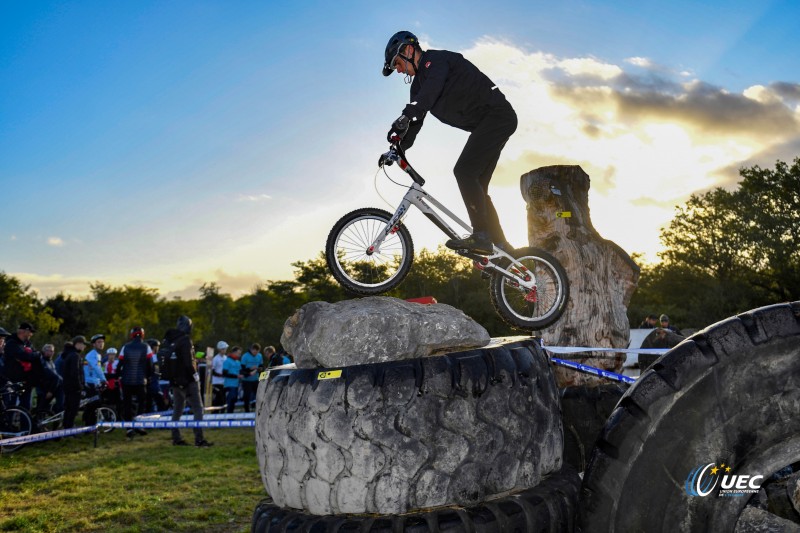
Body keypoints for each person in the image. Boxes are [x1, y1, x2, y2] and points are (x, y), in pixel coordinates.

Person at [383, 31, 517, 254]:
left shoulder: (436, 61)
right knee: (478, 187)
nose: (398, 70)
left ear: (408, 50)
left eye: (397, 63)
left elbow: (431, 90)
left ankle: (482, 236)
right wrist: (398, 147)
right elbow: (416, 121)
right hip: (486, 124)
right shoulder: (417, 89)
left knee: (464, 171)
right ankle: (502, 249)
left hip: (497, 116)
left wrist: (406, 114)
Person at [164, 315, 213, 447]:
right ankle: (199, 439)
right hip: (187, 381)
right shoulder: (185, 340)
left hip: (175, 381)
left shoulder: (171, 340)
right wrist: (194, 374)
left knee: (177, 409)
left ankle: (176, 438)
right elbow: (187, 361)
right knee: (198, 409)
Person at [2, 322, 61, 413]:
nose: (31, 334)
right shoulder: (11, 343)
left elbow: (35, 354)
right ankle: (8, 426)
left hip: (26, 380)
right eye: (30, 332)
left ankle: (25, 426)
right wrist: (32, 355)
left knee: (26, 406)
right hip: (12, 380)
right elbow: (25, 356)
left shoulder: (28, 343)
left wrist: (33, 355)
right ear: (24, 331)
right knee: (11, 406)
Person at [117, 326, 153, 438]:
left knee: (127, 405)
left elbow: (120, 364)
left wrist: (118, 375)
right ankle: (139, 425)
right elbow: (150, 364)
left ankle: (129, 428)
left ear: (132, 335)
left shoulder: (125, 347)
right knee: (141, 404)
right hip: (141, 381)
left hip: (126, 381)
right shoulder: (146, 346)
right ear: (142, 335)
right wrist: (148, 377)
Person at [60, 337, 86, 429]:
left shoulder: (69, 354)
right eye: (83, 344)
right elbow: (75, 373)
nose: (84, 346)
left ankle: (66, 426)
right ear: (78, 344)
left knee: (68, 409)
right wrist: (80, 386)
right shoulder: (75, 355)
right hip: (74, 387)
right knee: (73, 409)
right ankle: (69, 429)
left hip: (68, 386)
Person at [82, 334, 108, 425]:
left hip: (94, 382)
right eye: (98, 342)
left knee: (92, 405)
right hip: (90, 382)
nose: (101, 344)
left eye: (102, 342)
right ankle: (90, 425)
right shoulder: (92, 355)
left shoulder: (97, 355)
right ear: (93, 344)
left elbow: (98, 369)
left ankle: (88, 424)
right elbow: (96, 368)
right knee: (94, 404)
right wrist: (104, 379)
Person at [37, 343, 64, 413]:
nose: (51, 352)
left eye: (52, 351)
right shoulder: (42, 361)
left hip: (53, 388)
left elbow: (56, 376)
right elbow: (53, 376)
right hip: (44, 389)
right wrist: (50, 391)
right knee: (40, 408)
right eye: (48, 350)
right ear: (44, 351)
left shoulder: (51, 362)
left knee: (60, 405)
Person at [145, 338, 167, 413]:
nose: (158, 348)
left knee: (149, 402)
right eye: (156, 346)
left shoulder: (153, 356)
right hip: (153, 383)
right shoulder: (153, 357)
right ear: (153, 347)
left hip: (152, 382)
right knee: (160, 400)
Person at [240, 343, 263, 413]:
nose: (255, 353)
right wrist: (250, 369)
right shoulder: (245, 356)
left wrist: (257, 369)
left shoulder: (260, 356)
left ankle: (258, 410)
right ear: (251, 350)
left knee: (258, 395)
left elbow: (261, 367)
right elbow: (242, 370)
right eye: (254, 351)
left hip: (255, 379)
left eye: (257, 352)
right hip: (246, 380)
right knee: (247, 396)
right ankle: (247, 411)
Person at [222, 346, 243, 414]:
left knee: (234, 400)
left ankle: (231, 417)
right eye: (238, 353)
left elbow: (241, 371)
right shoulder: (227, 361)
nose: (239, 355)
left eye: (240, 353)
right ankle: (228, 416)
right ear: (234, 352)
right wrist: (236, 376)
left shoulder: (238, 362)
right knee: (230, 400)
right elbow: (224, 373)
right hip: (229, 385)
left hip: (236, 384)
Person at [103, 347, 122, 416]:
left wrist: (112, 376)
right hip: (108, 384)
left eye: (113, 354)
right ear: (107, 355)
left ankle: (119, 415)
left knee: (118, 400)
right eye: (110, 354)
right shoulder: (105, 364)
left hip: (116, 383)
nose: (111, 356)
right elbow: (104, 374)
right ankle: (110, 414)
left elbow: (119, 373)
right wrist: (112, 375)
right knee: (109, 400)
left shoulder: (118, 363)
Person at [211, 341, 228, 407]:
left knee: (223, 398)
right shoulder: (215, 359)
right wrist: (220, 375)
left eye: (225, 349)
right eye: (223, 349)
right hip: (217, 382)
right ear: (219, 349)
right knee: (218, 398)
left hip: (224, 382)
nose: (224, 350)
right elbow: (212, 371)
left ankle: (223, 412)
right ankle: (215, 413)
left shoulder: (226, 358)